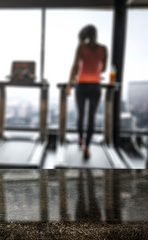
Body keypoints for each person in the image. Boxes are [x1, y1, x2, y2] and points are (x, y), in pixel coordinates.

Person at [66, 25, 107, 159]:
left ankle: (80, 139)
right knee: (91, 117)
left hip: (81, 84)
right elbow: (104, 69)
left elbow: (74, 66)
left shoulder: (81, 47)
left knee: (81, 114)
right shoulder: (103, 49)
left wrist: (68, 85)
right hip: (95, 85)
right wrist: (94, 70)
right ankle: (87, 148)